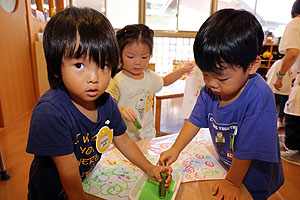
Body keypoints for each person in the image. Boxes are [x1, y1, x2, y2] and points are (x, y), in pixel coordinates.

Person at [26, 7, 171, 200]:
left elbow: (123, 139)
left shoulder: (105, 102)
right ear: (56, 68)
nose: (94, 78)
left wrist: (149, 167)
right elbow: (69, 175)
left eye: (103, 66)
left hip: (83, 182)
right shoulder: (50, 113)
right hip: (51, 194)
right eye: (79, 65)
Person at [159, 9, 284, 200]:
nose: (211, 83)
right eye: (206, 74)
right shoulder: (210, 91)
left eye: (222, 78)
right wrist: (175, 149)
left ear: (252, 65)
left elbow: (248, 148)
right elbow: (194, 121)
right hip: (228, 167)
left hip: (254, 177)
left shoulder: (259, 96)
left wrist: (233, 182)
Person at [106, 24, 194, 141]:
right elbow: (108, 104)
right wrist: (121, 109)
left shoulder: (149, 76)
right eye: (131, 57)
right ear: (120, 56)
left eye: (144, 57)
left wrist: (183, 70)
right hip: (124, 138)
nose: (138, 62)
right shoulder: (117, 80)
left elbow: (165, 81)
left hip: (147, 134)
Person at [273, 0, 300, 164]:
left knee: (295, 112)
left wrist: (280, 76)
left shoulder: (296, 23)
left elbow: (292, 53)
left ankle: (295, 149)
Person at [266, 59, 294, 128]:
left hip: (271, 89)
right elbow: (293, 76)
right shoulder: (290, 64)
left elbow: (268, 75)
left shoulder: (276, 62)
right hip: (283, 91)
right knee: (282, 109)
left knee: (270, 108)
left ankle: (268, 122)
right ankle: (279, 122)